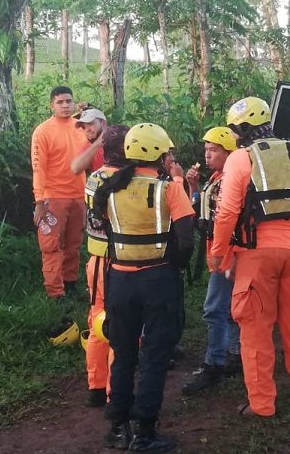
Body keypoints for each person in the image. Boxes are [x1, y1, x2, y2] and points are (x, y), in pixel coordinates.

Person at [209, 97, 290, 418]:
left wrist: (218, 253)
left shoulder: (241, 159)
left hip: (257, 254)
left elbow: (228, 210)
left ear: (241, 129)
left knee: (256, 331)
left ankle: (262, 404)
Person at [94, 123, 194, 451]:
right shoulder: (169, 189)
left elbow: (105, 231)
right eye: (167, 153)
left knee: (123, 353)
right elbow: (186, 241)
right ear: (158, 155)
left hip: (119, 280)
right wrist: (174, 268)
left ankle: (119, 426)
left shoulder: (108, 188)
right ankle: (145, 432)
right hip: (158, 279)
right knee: (154, 355)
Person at [181, 126, 241, 396]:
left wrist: (224, 256)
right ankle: (234, 355)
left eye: (213, 150)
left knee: (215, 309)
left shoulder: (233, 180)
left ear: (230, 153)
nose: (207, 155)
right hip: (220, 253)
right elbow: (201, 212)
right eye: (206, 150)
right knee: (229, 310)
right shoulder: (218, 177)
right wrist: (193, 186)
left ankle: (214, 363)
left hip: (228, 255)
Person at [82, 123, 130, 408]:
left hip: (94, 260)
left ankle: (96, 386)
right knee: (119, 327)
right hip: (118, 262)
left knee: (97, 321)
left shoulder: (95, 176)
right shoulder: (124, 180)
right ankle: (115, 390)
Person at [31, 86, 87, 299]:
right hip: (53, 198)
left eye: (69, 101)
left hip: (79, 196)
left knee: (74, 244)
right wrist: (39, 201)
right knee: (52, 247)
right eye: (60, 102)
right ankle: (55, 293)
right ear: (51, 105)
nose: (65, 105)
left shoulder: (80, 127)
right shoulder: (43, 131)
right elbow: (39, 168)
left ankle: (70, 285)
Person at [71, 107, 108, 175]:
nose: (87, 130)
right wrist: (97, 144)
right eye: (83, 127)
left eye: (90, 123)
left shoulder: (119, 138)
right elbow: (75, 169)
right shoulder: (89, 146)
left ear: (103, 124)